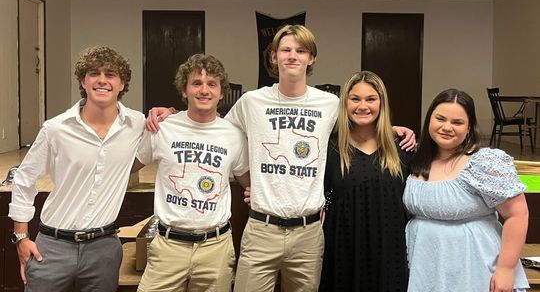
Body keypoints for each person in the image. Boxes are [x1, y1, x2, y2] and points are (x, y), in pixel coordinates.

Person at [147, 25, 416, 291]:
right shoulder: (252, 102)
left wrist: (391, 130)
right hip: (262, 227)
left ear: (311, 58)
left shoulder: (329, 104)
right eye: (285, 49)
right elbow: (213, 129)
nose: (292, 56)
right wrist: (172, 113)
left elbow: (361, 119)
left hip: (308, 231)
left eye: (301, 50)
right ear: (273, 57)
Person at [9, 46, 145, 292]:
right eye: (94, 73)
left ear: (123, 83)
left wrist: (167, 112)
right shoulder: (56, 129)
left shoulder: (137, 124)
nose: (102, 80)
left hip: (104, 249)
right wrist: (21, 238)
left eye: (110, 74)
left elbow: (171, 125)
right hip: (52, 247)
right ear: (83, 81)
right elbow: (24, 179)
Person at [132, 53, 250, 292]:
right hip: (168, 246)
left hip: (215, 248)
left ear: (221, 91)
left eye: (212, 84)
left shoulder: (234, 135)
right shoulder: (163, 127)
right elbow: (126, 168)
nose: (204, 90)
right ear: (184, 90)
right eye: (196, 83)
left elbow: (248, 180)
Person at [404, 88, 529, 292]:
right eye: (440, 119)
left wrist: (506, 268)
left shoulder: (483, 163)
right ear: (429, 121)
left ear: (469, 127)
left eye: (457, 122)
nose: (447, 127)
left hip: (475, 266)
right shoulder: (415, 158)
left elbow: (518, 214)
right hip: (426, 265)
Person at [320, 71, 410, 291]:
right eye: (355, 99)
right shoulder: (329, 147)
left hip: (389, 248)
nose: (363, 106)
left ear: (382, 103)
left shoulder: (401, 148)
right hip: (343, 249)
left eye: (371, 99)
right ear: (345, 103)